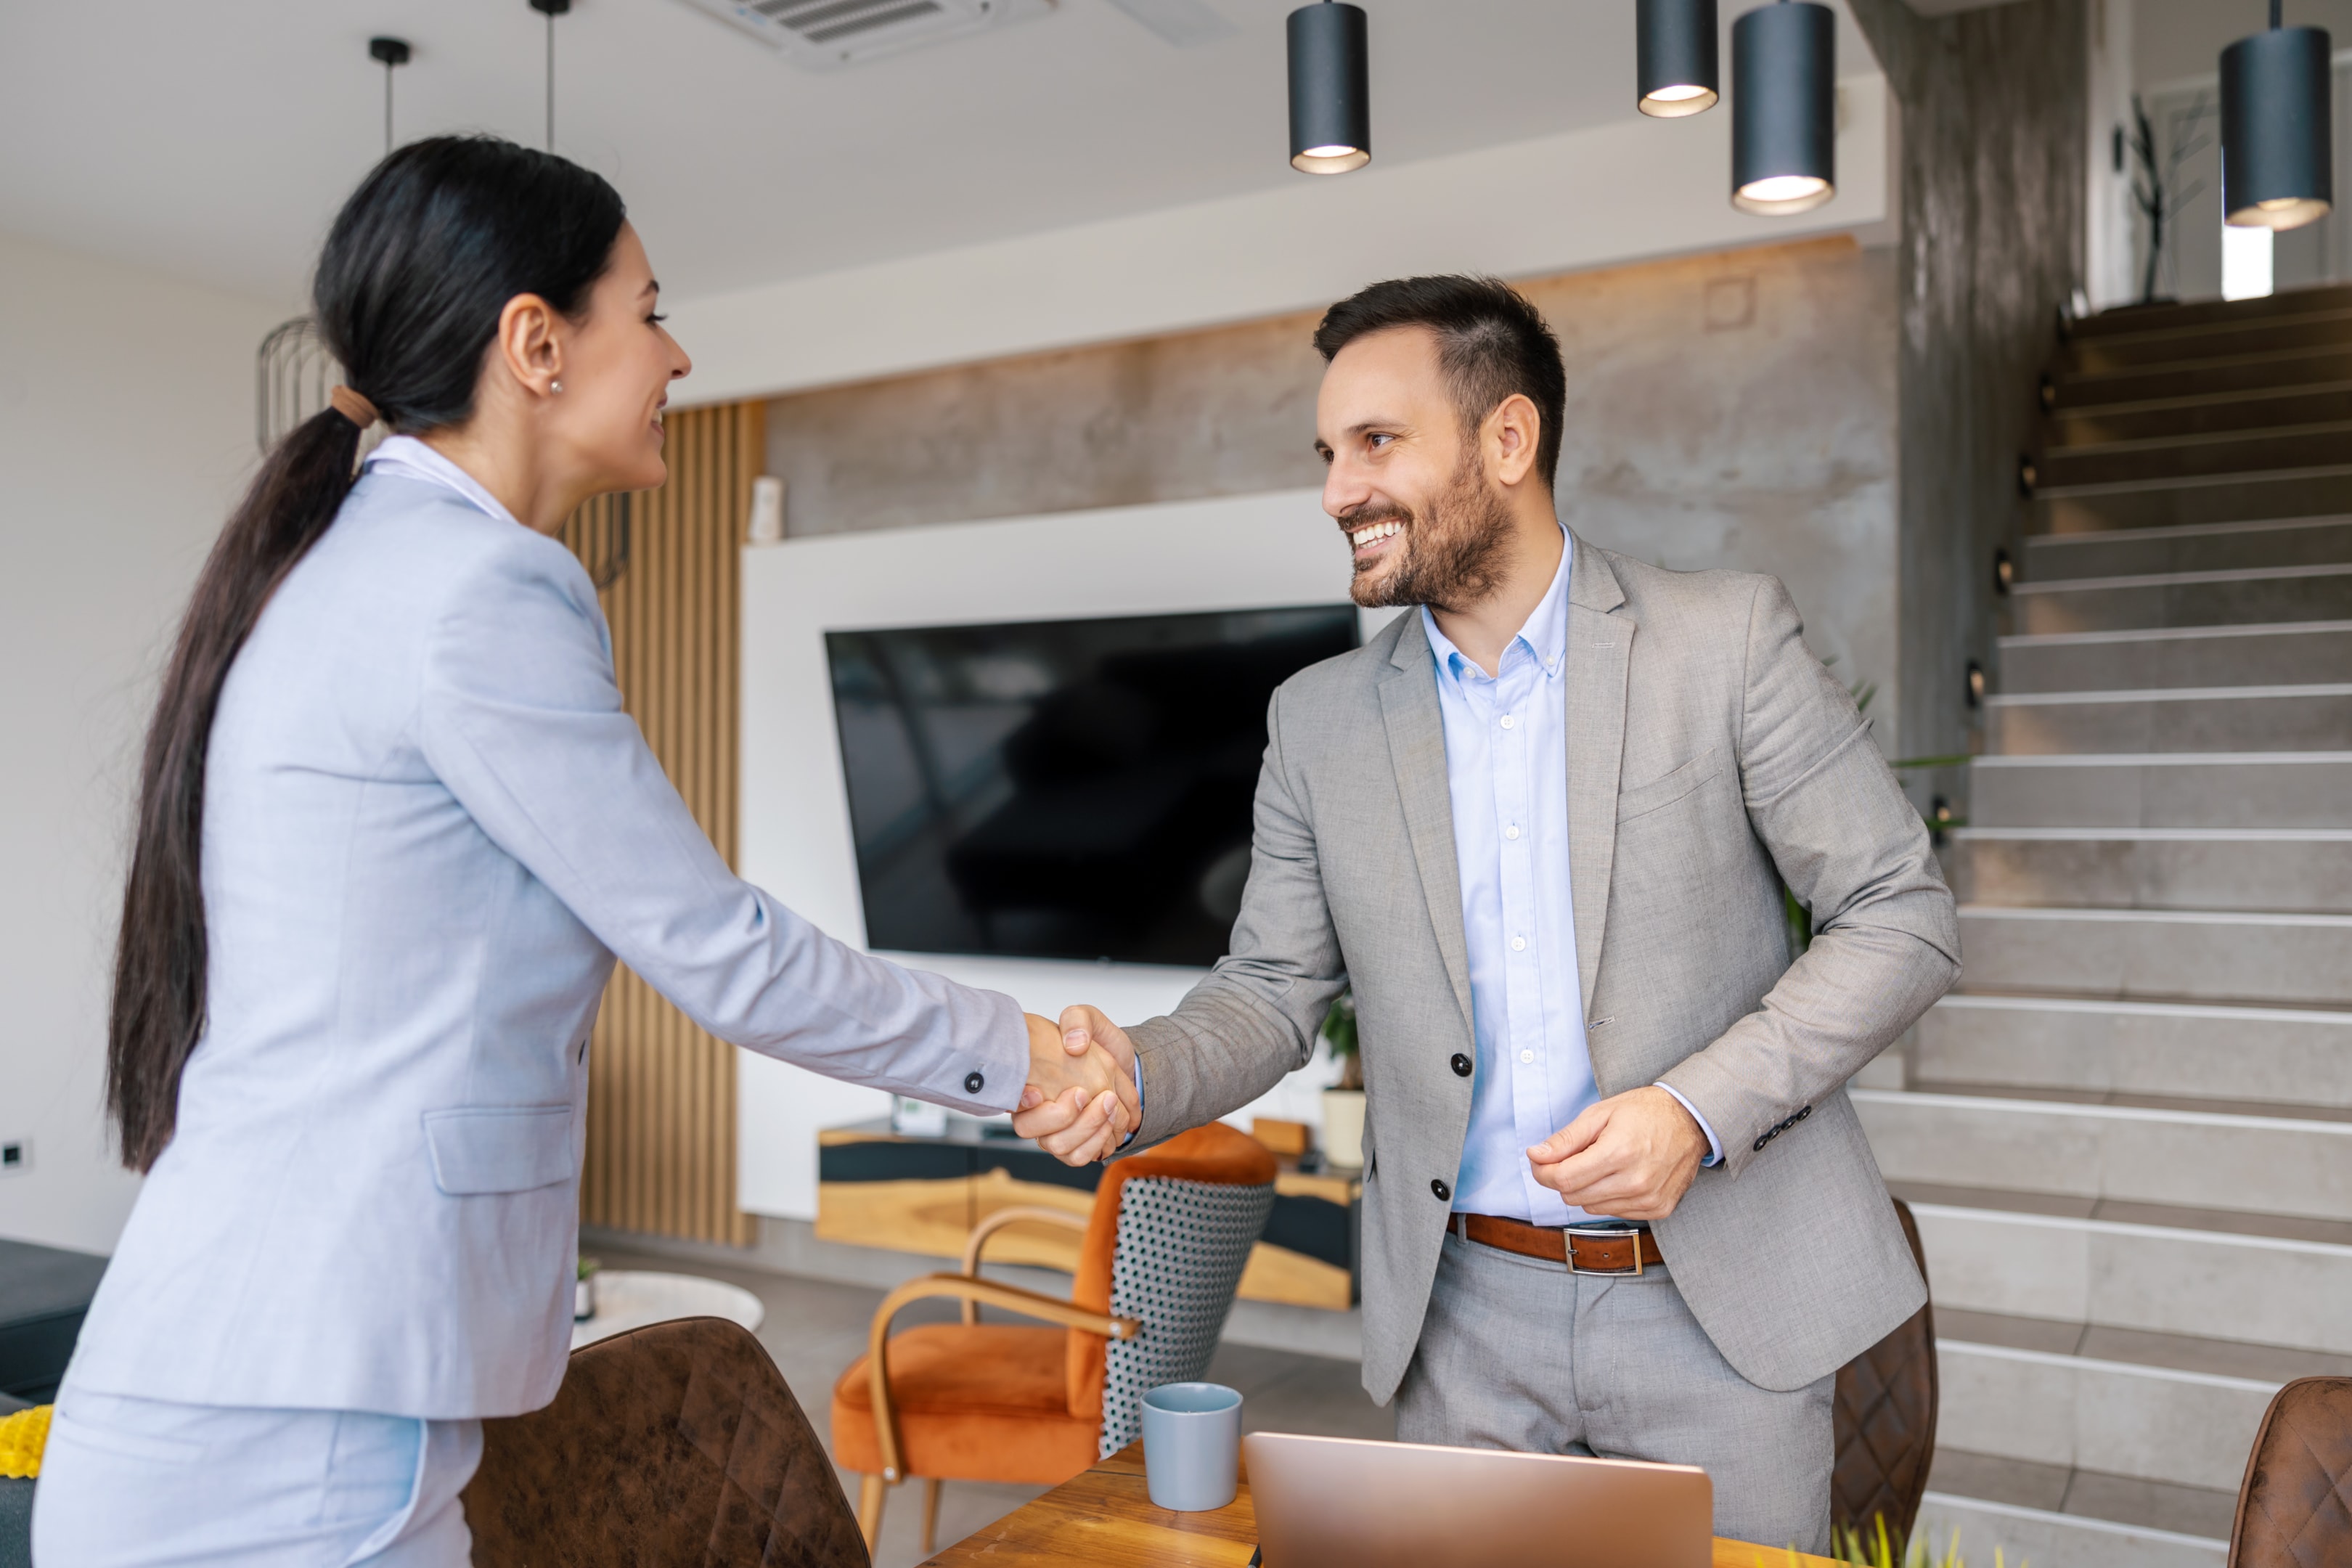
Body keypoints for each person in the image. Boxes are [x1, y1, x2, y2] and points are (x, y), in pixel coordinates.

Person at [33, 136, 1134, 1568]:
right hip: (298, 1427)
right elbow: (718, 950)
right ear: (536, 343)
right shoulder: (476, 585)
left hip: (264, 1383)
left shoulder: (362, 565)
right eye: (652, 306)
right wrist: (1030, 1056)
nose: (677, 354)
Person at [1013, 275, 1959, 1551]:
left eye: (1377, 444)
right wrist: (1140, 1069)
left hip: (1720, 1309)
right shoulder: (1319, 721)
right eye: (1330, 453)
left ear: (1507, 442)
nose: (1339, 488)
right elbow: (1270, 988)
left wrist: (1696, 1111)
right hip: (1462, 1318)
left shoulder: (1719, 643)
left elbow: (1899, 912)